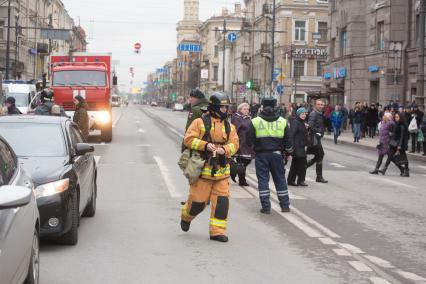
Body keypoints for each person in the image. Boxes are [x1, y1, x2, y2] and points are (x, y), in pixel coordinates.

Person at [180, 92, 239, 243]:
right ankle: (186, 216)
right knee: (197, 205)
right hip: (202, 174)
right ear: (215, 108)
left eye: (227, 108)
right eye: (224, 108)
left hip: (222, 173)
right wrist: (205, 145)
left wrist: (225, 150)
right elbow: (188, 139)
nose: (226, 110)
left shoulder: (229, 127)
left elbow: (235, 144)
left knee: (222, 205)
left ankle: (217, 232)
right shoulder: (199, 122)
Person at [247, 97, 293, 214]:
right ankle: (285, 206)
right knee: (280, 180)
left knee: (263, 181)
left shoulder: (255, 121)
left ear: (262, 106)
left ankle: (266, 207)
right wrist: (287, 153)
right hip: (277, 155)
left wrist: (254, 149)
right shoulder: (283, 121)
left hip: (261, 155)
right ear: (275, 106)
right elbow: (288, 141)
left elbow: (249, 141)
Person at [230, 102, 254, 186]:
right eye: (244, 109)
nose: (246, 110)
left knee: (247, 160)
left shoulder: (248, 117)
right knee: (242, 161)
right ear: (240, 109)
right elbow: (234, 130)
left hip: (247, 142)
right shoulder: (237, 117)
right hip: (240, 142)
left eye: (247, 109)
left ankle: (234, 171)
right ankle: (242, 180)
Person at [379, 112, 410, 177]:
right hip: (394, 143)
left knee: (404, 158)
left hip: (400, 144)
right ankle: (384, 169)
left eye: (397, 117)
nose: (396, 118)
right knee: (390, 156)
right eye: (395, 117)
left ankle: (406, 171)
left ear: (400, 118)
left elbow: (402, 136)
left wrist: (399, 145)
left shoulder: (402, 125)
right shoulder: (396, 124)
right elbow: (395, 133)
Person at [307, 99, 328, 183]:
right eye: (319, 104)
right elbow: (310, 126)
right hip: (314, 138)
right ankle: (319, 177)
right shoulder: (313, 114)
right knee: (320, 155)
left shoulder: (319, 114)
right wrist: (319, 131)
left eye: (322, 104)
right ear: (315, 105)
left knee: (319, 156)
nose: (320, 106)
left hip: (317, 138)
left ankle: (302, 168)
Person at [287, 107, 308, 187]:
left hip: (300, 146)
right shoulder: (296, 122)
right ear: (298, 114)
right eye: (302, 114)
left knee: (295, 164)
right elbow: (292, 135)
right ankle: (300, 180)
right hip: (297, 147)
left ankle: (291, 180)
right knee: (302, 164)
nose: (303, 115)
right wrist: (292, 147)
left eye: (304, 114)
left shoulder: (301, 122)